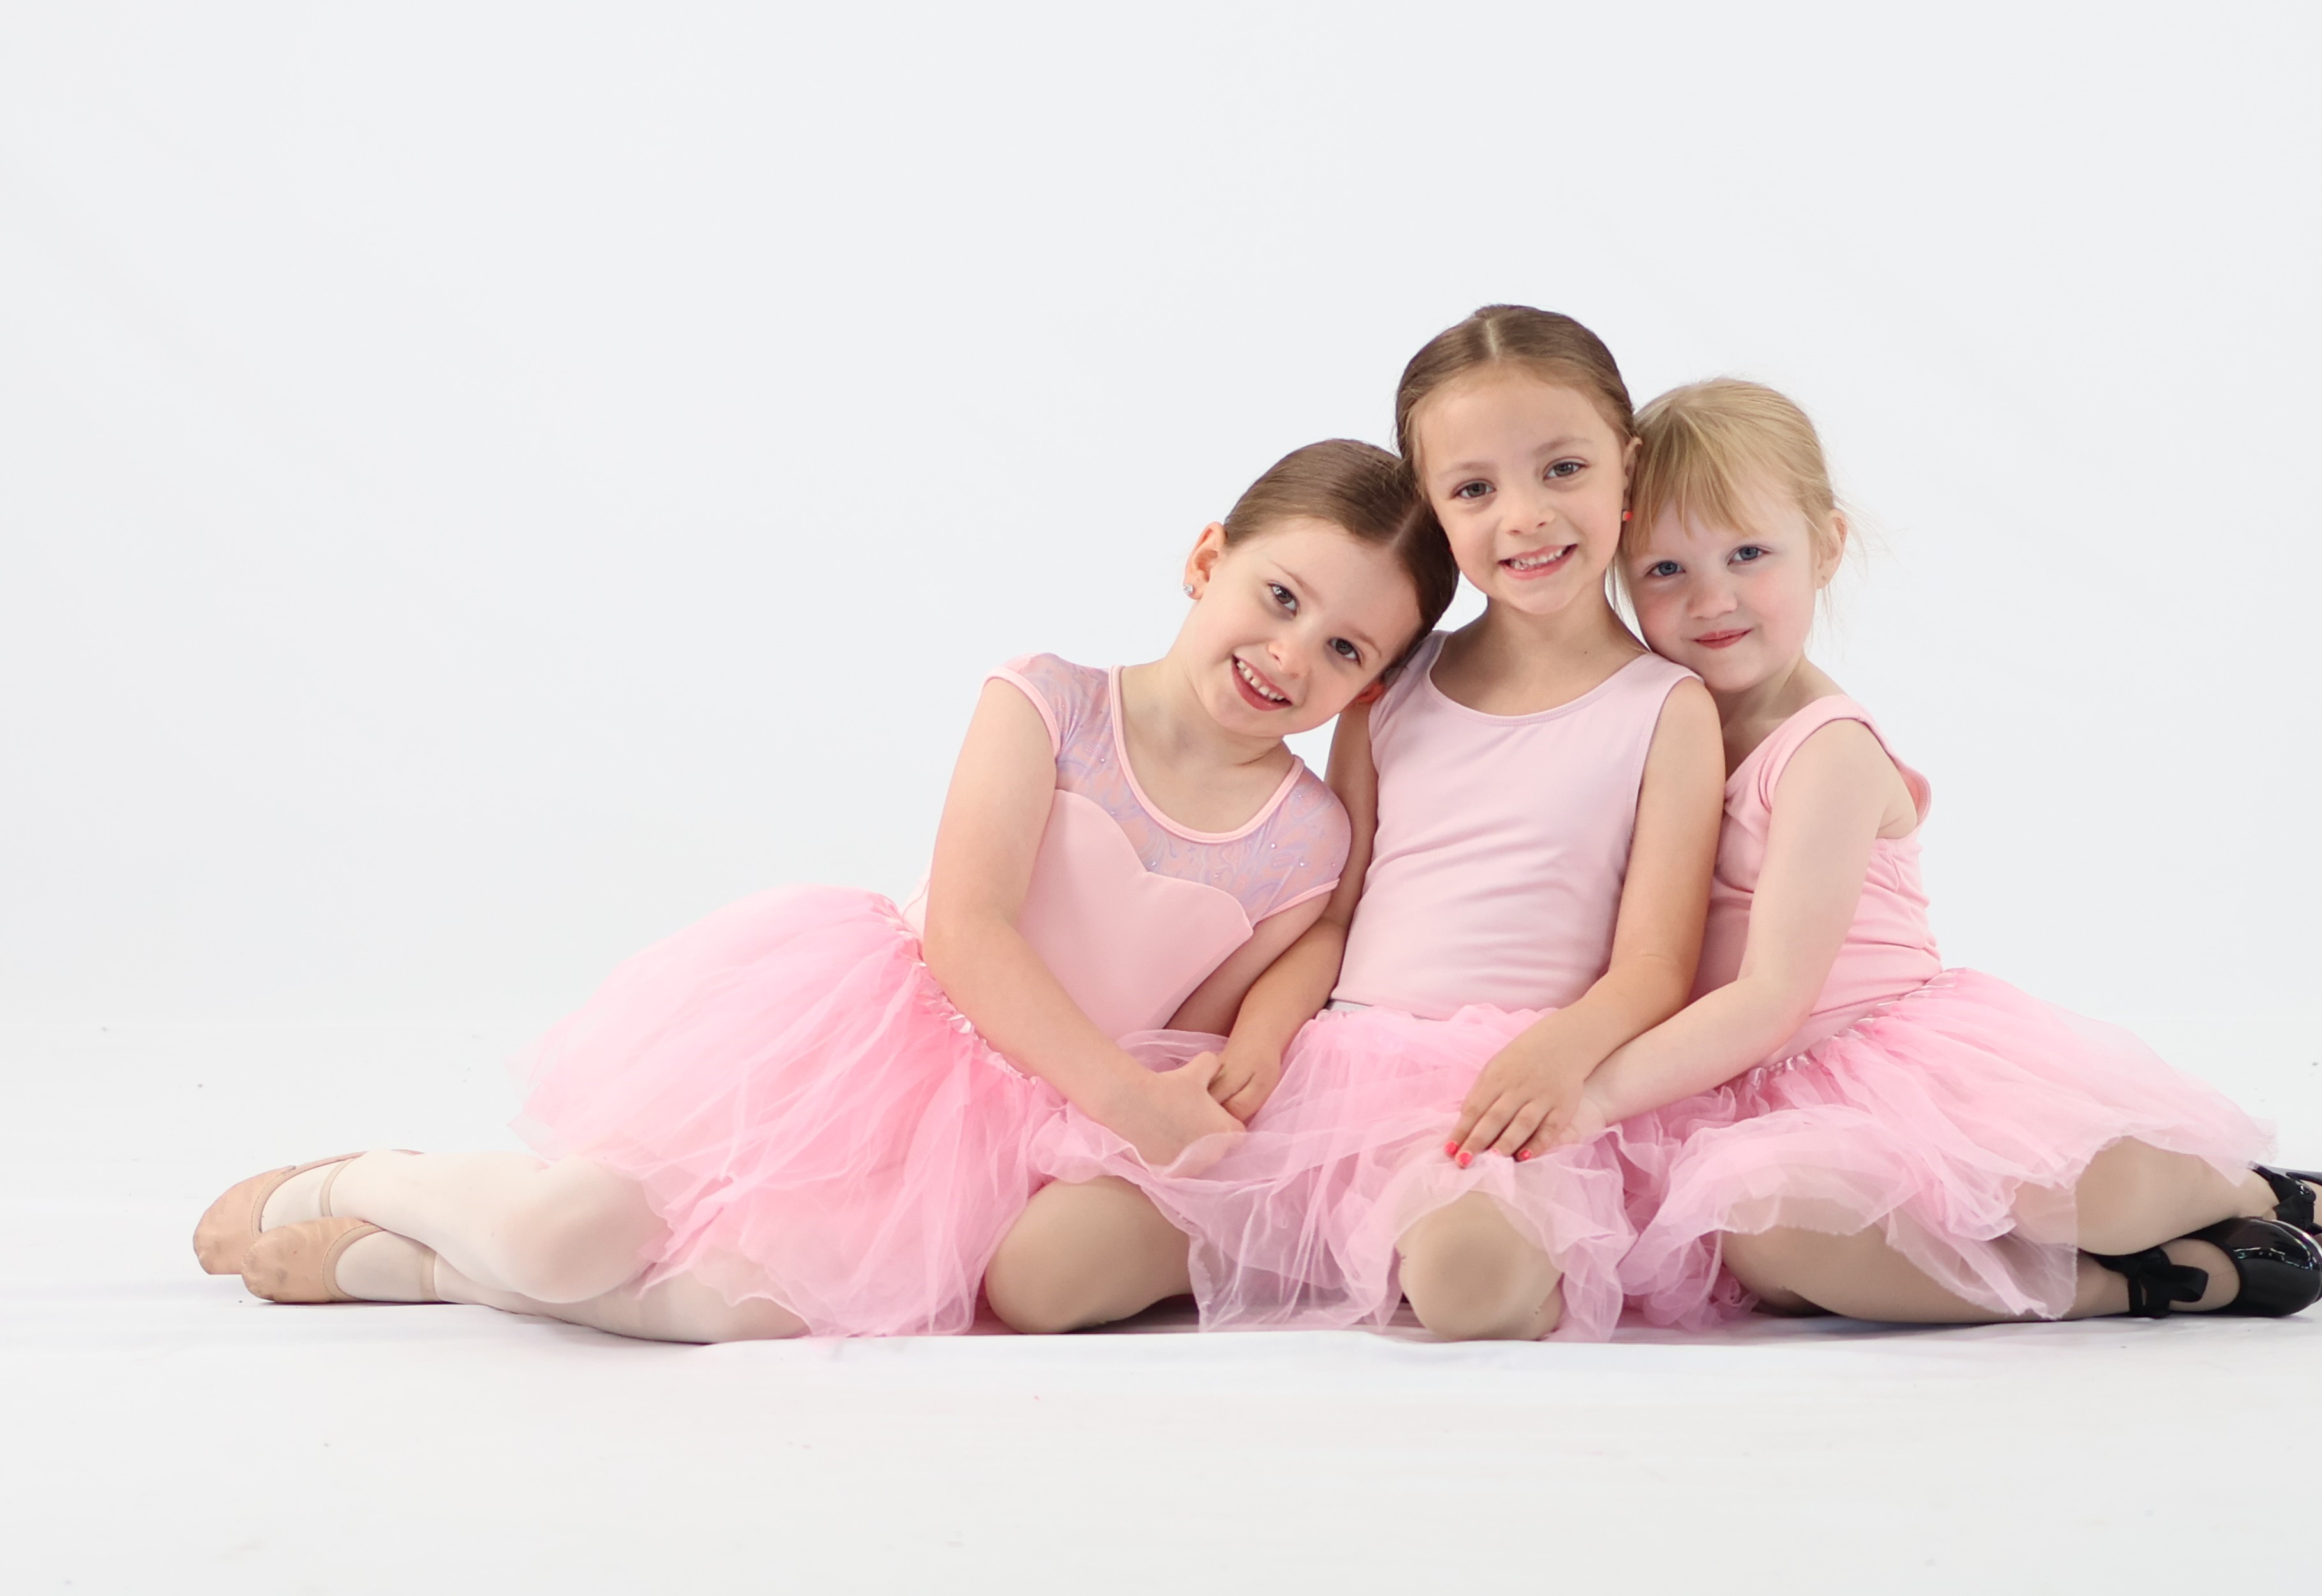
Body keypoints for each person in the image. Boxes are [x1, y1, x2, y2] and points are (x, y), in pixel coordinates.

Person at [190, 440, 1454, 1342]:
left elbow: (1239, 990)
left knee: (715, 1308)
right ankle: (384, 1177)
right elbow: (966, 931)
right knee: (565, 1236)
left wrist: (1242, 1034)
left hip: (1013, 1134)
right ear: (1205, 558)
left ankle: (422, 1275)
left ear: (1373, 683)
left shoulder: (1302, 839)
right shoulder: (1054, 701)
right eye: (1276, 597)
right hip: (866, 1042)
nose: (1289, 654)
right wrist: (1127, 1098)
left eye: (1344, 647)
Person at [1579, 378, 2322, 1327]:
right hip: (1734, 1092)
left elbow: (1773, 1000)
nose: (1712, 598)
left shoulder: (1826, 753)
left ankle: (2255, 1196)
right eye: (1664, 571)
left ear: (1826, 546)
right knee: (1765, 1229)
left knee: (2073, 1189)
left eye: (1748, 554)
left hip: (1870, 1057)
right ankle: (2137, 1284)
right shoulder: (1657, 725)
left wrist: (1597, 1090)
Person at [986, 306, 1725, 1341]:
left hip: (1513, 1084)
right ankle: (1312, 1238)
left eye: (1563, 470)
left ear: (1627, 475)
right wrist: (1265, 1031)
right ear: (1435, 510)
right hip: (1340, 1076)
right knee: (1038, 1279)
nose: (1525, 517)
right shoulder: (1396, 683)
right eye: (1474, 489)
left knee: (1470, 1284)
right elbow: (1334, 911)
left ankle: (1487, 1245)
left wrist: (1562, 1060)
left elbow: (1656, 964)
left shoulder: (1664, 709)